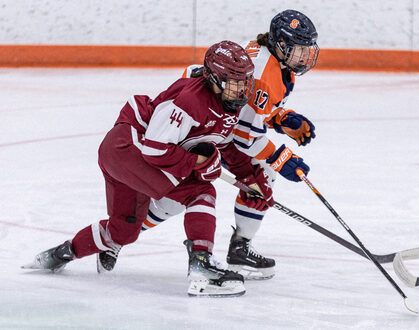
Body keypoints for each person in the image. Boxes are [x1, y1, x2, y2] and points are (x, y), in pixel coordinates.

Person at [23, 40, 257, 297]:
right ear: (214, 77)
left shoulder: (224, 101)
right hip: (130, 148)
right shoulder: (190, 101)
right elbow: (155, 149)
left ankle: (59, 254)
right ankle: (202, 266)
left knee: (124, 230)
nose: (242, 89)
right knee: (201, 192)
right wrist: (198, 163)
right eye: (235, 81)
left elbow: (221, 143)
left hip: (122, 153)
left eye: (245, 80)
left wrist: (249, 176)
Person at [99, 9, 320, 280]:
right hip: (210, 129)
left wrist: (281, 118)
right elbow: (243, 136)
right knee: (202, 190)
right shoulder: (265, 73)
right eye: (299, 49)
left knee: (190, 195)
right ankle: (120, 237)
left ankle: (120, 238)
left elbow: (250, 111)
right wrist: (281, 158)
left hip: (216, 126)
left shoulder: (269, 58)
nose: (305, 56)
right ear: (281, 45)